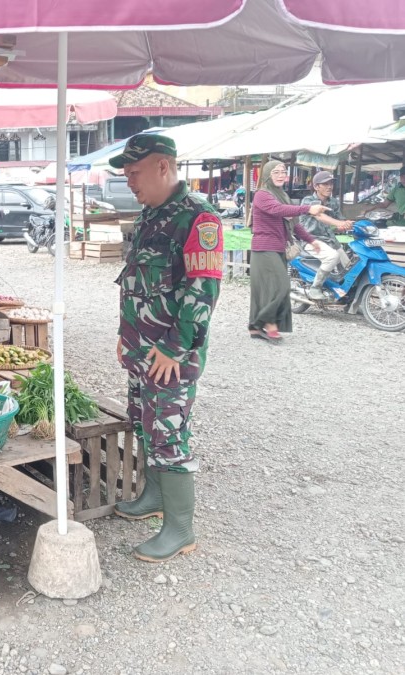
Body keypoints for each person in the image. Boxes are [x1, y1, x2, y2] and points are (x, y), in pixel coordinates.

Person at [108, 134, 223, 563]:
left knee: (169, 433)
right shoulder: (148, 217)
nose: (130, 182)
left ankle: (179, 529)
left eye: (135, 173)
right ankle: (153, 496)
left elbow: (203, 291)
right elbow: (136, 282)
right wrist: (126, 333)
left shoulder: (199, 219)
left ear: (163, 166)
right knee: (144, 422)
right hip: (142, 349)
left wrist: (175, 348)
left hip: (171, 356)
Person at [249, 161, 327, 341]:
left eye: (283, 172)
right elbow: (277, 210)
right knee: (281, 285)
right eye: (276, 172)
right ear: (268, 174)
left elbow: (294, 223)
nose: (280, 175)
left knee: (264, 289)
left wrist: (312, 240)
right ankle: (267, 323)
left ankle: (255, 327)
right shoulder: (262, 194)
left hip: (278, 246)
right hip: (264, 247)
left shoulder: (282, 195)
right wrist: (308, 209)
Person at [299, 171, 353, 298]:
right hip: (311, 240)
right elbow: (319, 216)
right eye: (325, 184)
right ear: (317, 186)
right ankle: (315, 288)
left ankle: (347, 296)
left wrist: (347, 224)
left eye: (331, 183)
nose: (330, 186)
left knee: (349, 267)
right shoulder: (308, 200)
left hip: (331, 241)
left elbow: (340, 222)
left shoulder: (333, 202)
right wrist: (339, 222)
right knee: (332, 257)